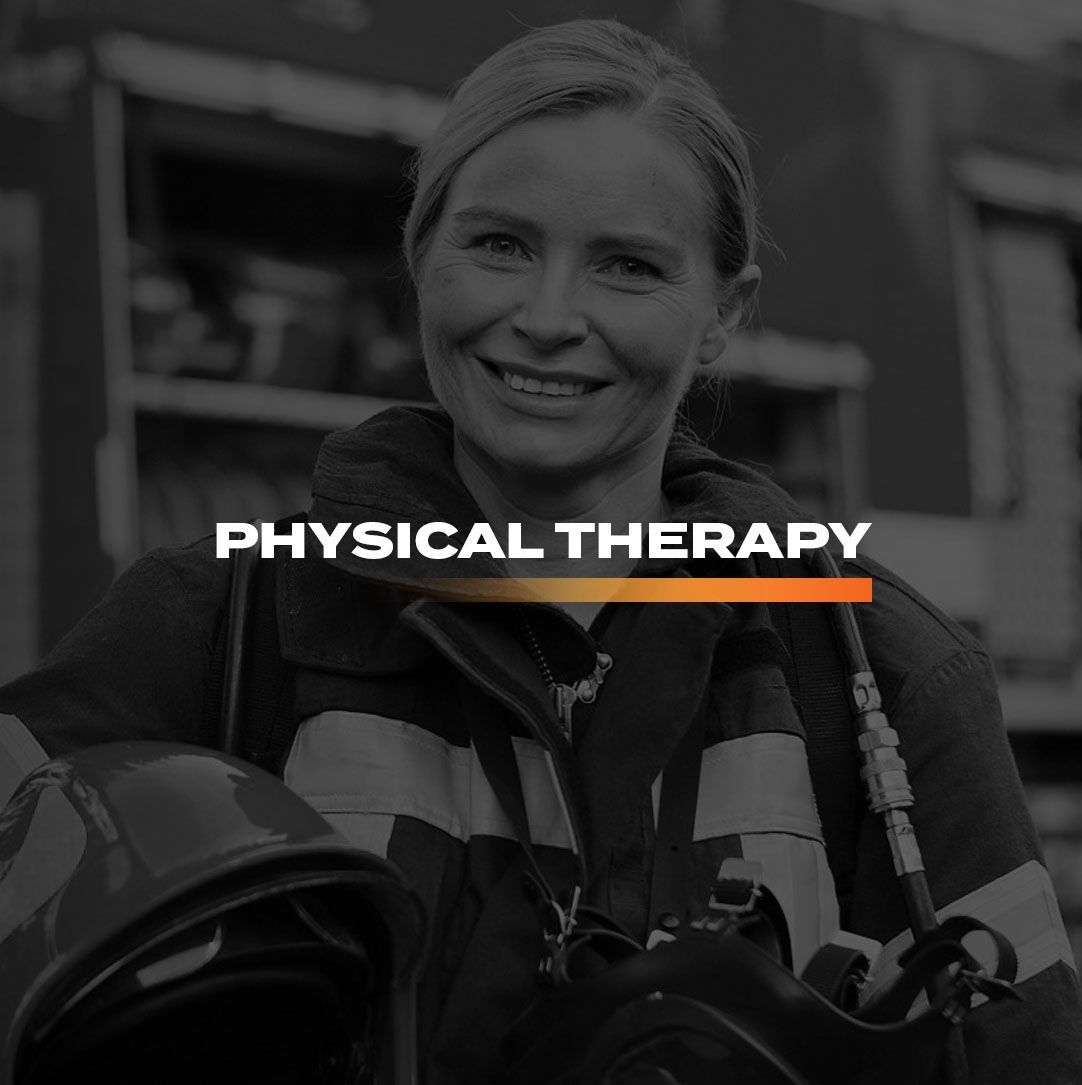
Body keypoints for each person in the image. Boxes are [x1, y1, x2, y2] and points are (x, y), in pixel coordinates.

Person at [1, 17, 1079, 1084]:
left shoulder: (881, 672)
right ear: (421, 254)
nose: (547, 316)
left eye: (626, 265)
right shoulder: (216, 623)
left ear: (722, 312)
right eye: (499, 244)